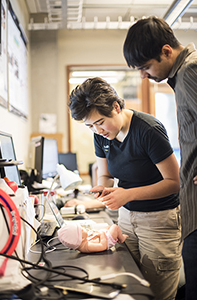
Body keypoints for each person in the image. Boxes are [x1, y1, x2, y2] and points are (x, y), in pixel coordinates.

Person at [68, 77, 182, 300]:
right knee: (130, 285)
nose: (97, 130)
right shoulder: (101, 136)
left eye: (100, 122)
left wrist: (127, 194)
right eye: (90, 126)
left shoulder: (148, 130)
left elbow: (175, 182)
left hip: (159, 220)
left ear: (116, 107)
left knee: (156, 294)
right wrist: (103, 188)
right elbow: (106, 174)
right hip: (127, 216)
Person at [123, 16, 197, 300]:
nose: (144, 75)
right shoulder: (182, 76)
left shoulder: (190, 71)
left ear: (167, 51)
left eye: (146, 67)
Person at [57, 223, 128, 253]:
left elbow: (89, 237)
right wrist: (102, 233)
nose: (84, 228)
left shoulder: (81, 243)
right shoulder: (87, 247)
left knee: (108, 227)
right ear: (81, 238)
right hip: (108, 241)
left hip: (104, 237)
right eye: (82, 230)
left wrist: (92, 233)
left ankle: (117, 235)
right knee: (114, 227)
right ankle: (121, 238)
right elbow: (103, 246)